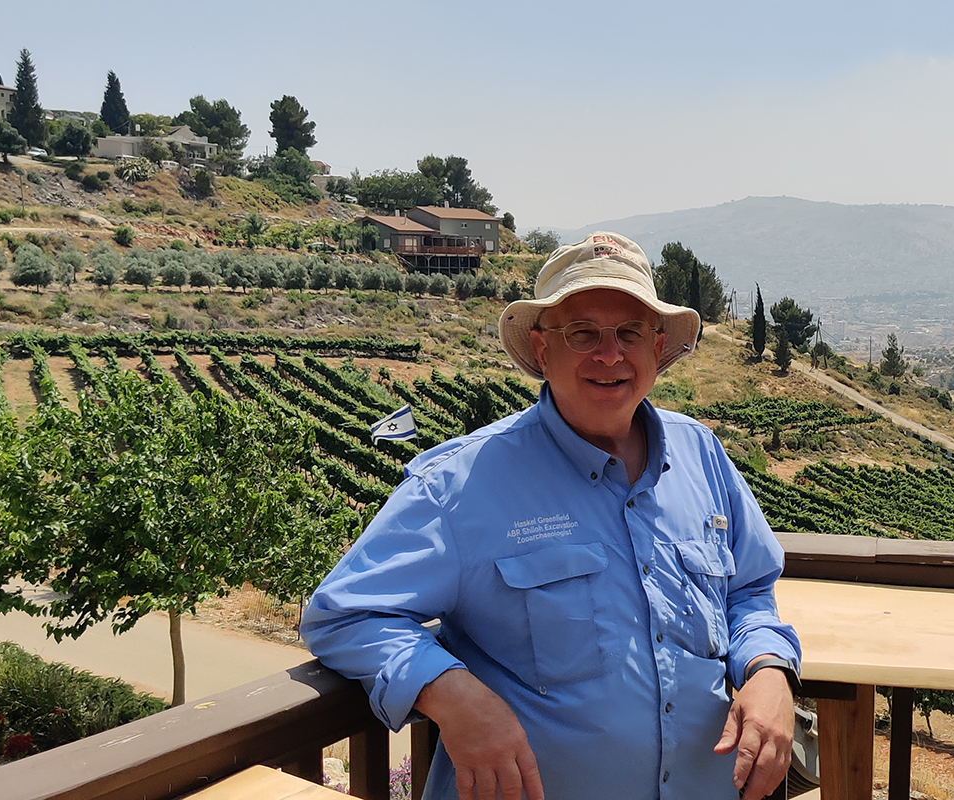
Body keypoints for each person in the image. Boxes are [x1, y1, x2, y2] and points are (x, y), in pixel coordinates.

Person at [301, 231, 802, 800]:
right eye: (582, 333)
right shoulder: (461, 484)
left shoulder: (703, 455)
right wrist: (451, 693)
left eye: (629, 333)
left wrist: (768, 669)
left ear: (657, 347)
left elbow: (749, 590)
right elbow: (345, 616)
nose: (609, 354)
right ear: (542, 350)